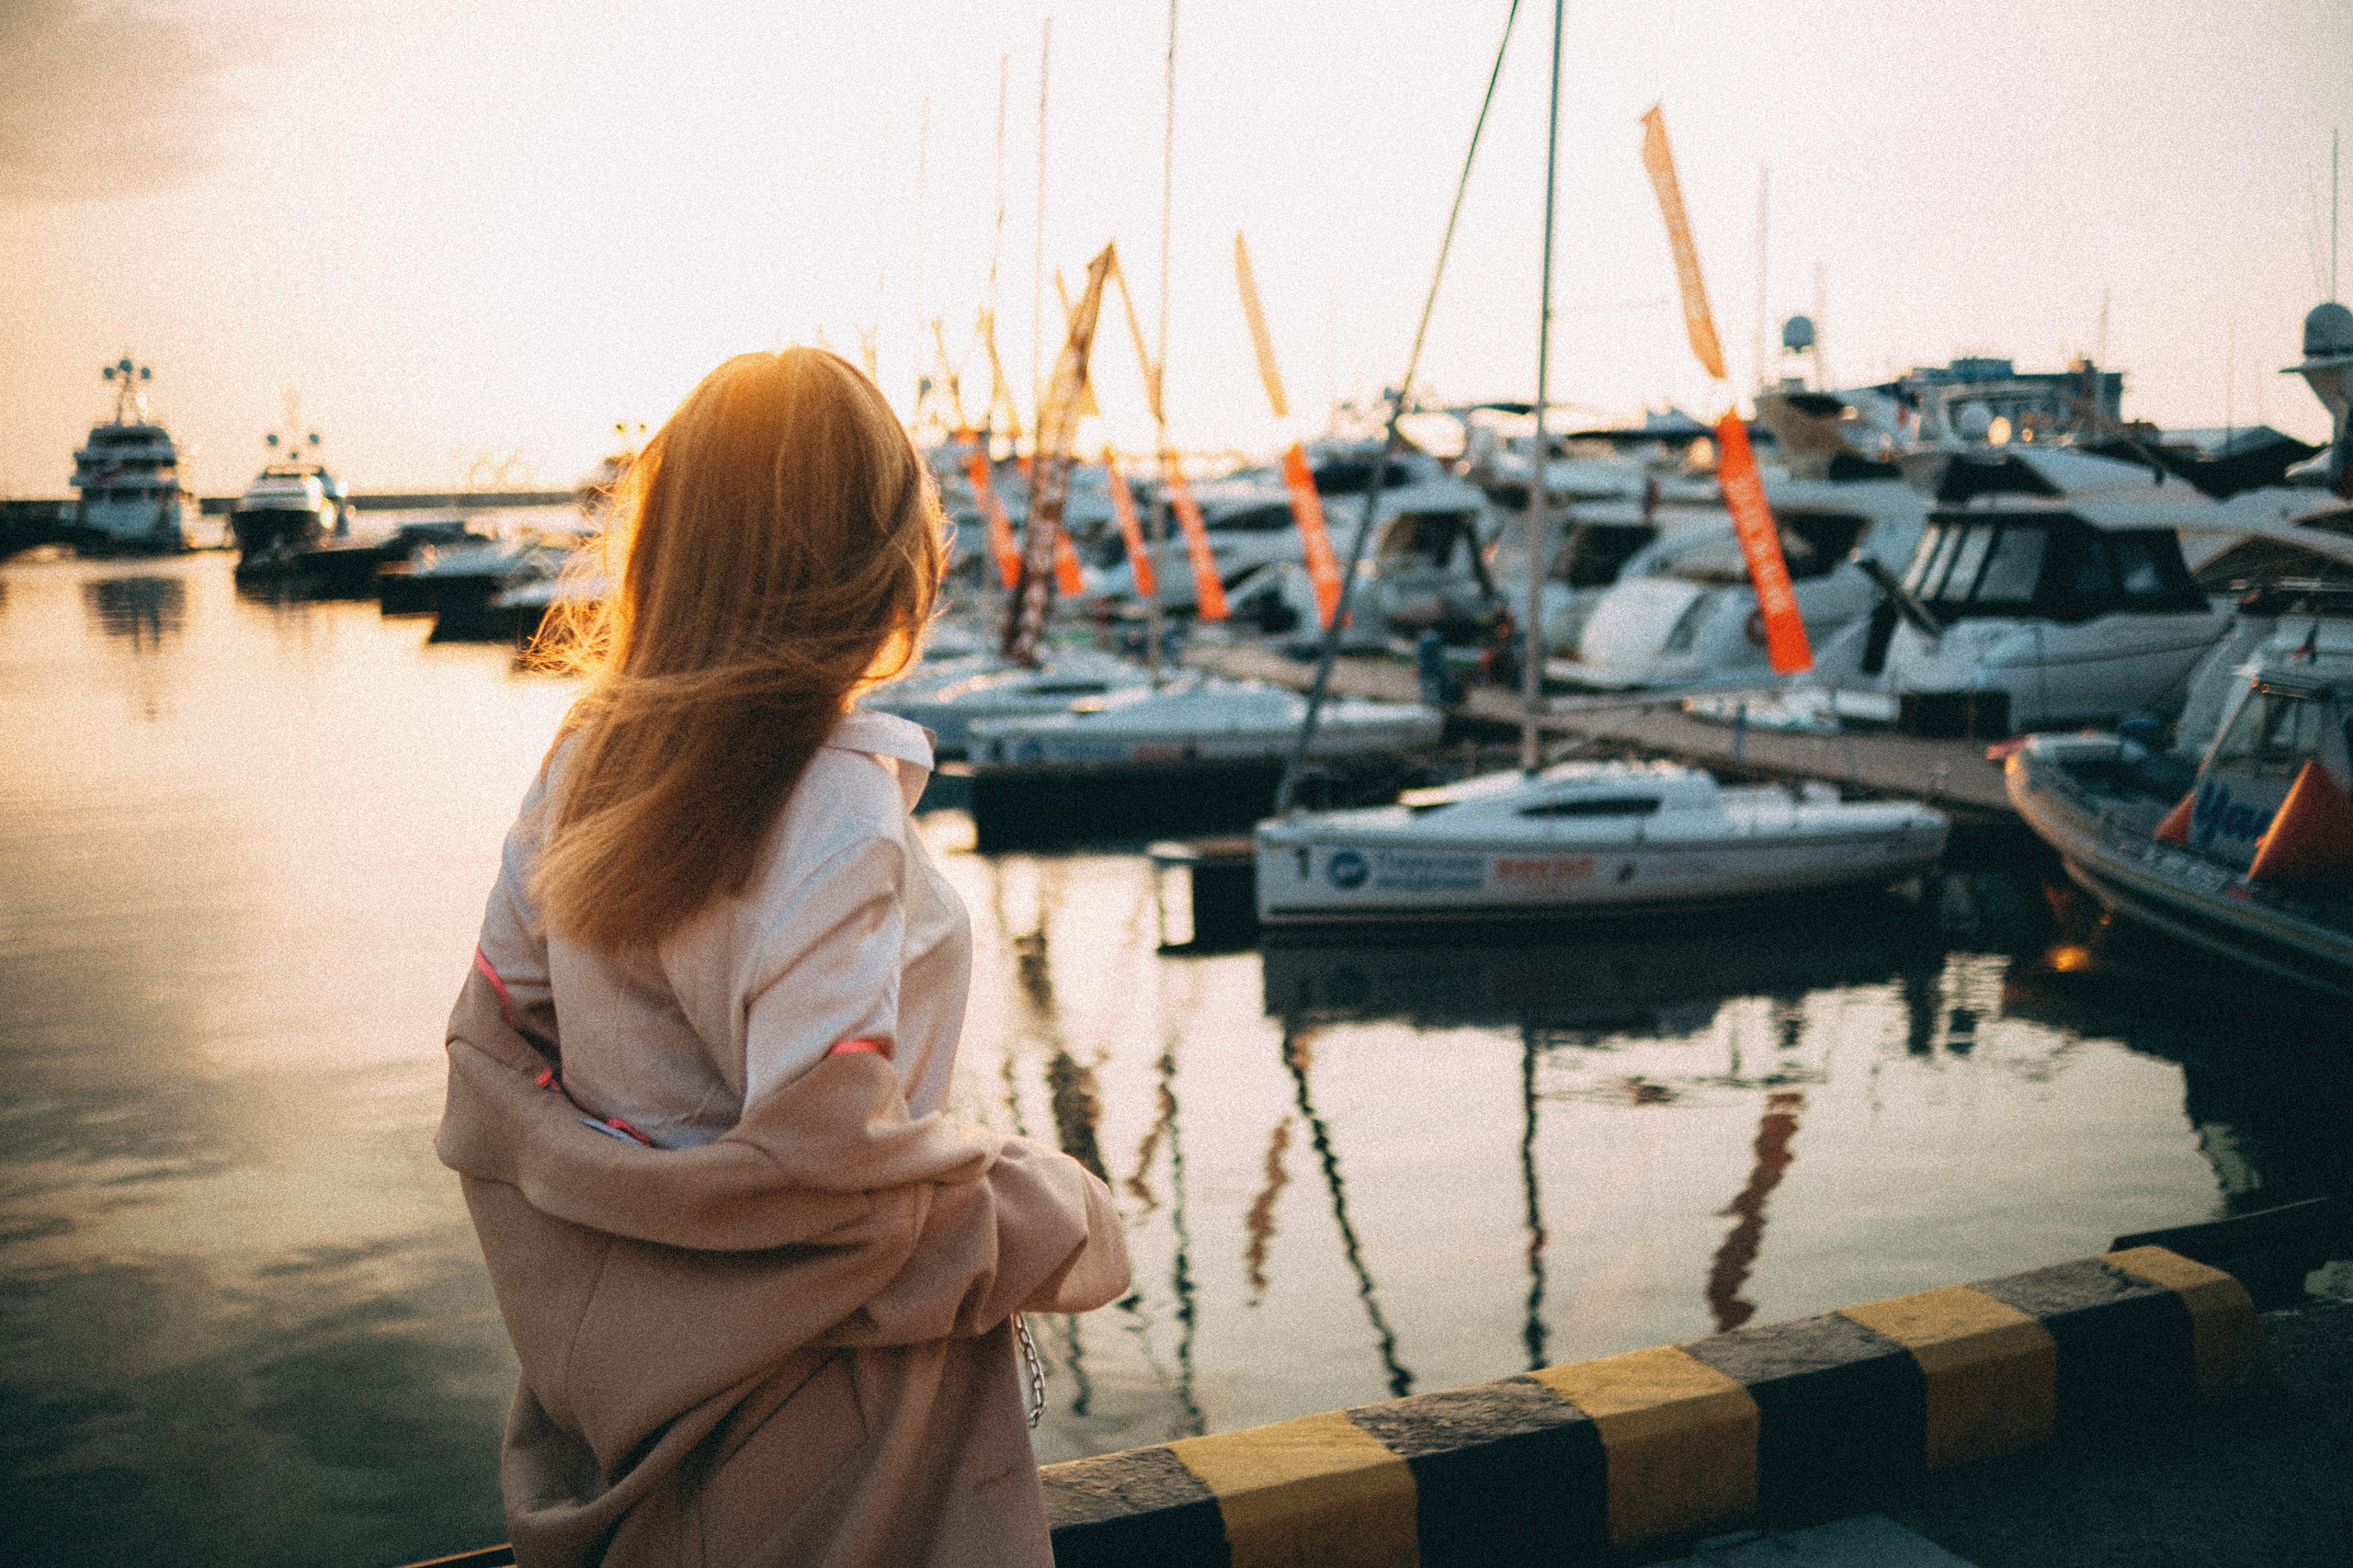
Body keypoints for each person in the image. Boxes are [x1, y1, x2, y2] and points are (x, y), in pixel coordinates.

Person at [437, 348, 1130, 1568]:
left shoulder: (583, 765)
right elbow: (825, 1173)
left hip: (632, 1410)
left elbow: (490, 1057)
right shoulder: (837, 810)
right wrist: (1039, 1208)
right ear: (883, 559)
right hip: (836, 1431)